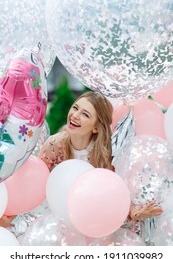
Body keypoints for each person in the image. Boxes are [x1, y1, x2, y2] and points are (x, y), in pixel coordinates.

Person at [39, 90, 163, 223]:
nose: (75, 115)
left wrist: (133, 212)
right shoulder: (54, 145)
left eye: (85, 114)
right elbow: (36, 183)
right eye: (75, 108)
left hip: (94, 218)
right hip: (60, 215)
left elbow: (116, 193)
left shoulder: (107, 154)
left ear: (96, 128)